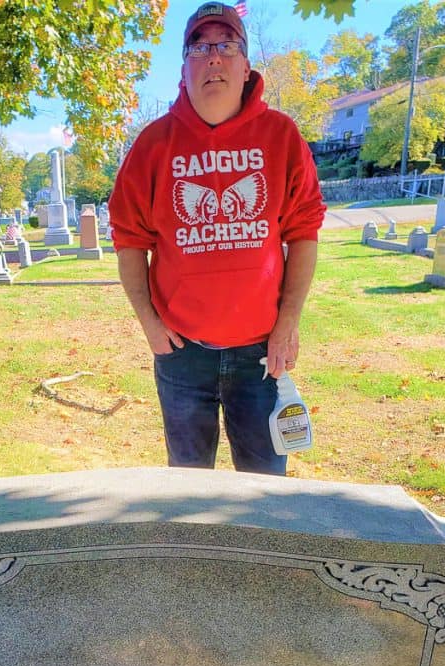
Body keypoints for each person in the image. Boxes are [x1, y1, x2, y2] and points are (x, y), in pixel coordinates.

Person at [108, 2, 326, 475]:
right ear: (183, 68)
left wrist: (288, 321)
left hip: (260, 356)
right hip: (183, 356)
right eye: (199, 47)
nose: (213, 58)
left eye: (226, 46)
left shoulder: (281, 136)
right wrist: (148, 321)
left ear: (246, 66)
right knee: (188, 490)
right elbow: (129, 241)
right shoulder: (153, 146)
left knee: (266, 488)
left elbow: (304, 231)